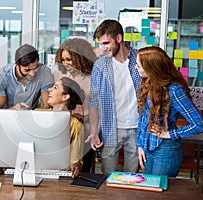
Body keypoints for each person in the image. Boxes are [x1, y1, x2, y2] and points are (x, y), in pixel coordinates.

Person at [136, 46, 203, 177]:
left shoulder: (174, 90)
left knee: (159, 194)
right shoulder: (147, 83)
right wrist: (141, 145)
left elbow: (199, 124)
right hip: (148, 147)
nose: (135, 68)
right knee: (148, 191)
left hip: (166, 150)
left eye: (139, 65)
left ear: (152, 68)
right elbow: (143, 119)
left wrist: (170, 134)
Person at [85, 19, 141, 175]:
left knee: (133, 177)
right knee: (107, 176)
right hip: (111, 128)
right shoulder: (100, 66)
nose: (103, 48)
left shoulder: (140, 60)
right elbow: (94, 102)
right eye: (101, 44)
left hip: (138, 128)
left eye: (106, 43)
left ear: (118, 38)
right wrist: (95, 131)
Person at [53, 38, 97, 173]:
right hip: (63, 128)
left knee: (83, 167)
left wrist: (87, 121)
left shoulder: (92, 77)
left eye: (69, 59)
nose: (65, 63)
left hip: (86, 127)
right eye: (63, 59)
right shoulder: (57, 75)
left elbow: (95, 105)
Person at [37, 77, 85, 178]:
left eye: (55, 87)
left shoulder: (75, 125)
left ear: (65, 97)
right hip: (32, 172)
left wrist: (76, 166)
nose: (49, 89)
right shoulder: (37, 114)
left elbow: (75, 159)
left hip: (57, 176)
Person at [0, 44, 54, 109]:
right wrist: (14, 110)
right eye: (27, 70)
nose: (32, 74)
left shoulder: (44, 71)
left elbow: (47, 106)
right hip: (8, 115)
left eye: (35, 68)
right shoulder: (2, 76)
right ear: (16, 65)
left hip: (33, 115)